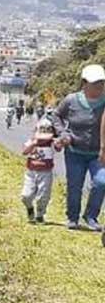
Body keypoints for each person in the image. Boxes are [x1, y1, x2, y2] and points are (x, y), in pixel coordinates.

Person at [52, 64, 105, 231]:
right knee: (74, 185)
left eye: (102, 83)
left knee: (101, 182)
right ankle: (72, 217)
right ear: (84, 83)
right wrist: (62, 134)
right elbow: (56, 116)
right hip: (75, 151)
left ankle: (90, 216)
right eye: (95, 83)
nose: (99, 87)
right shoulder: (71, 100)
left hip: (98, 153)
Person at [21, 119, 61, 224]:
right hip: (31, 172)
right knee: (26, 195)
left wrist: (58, 141)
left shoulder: (51, 143)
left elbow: (59, 147)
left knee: (43, 196)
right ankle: (29, 208)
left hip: (46, 172)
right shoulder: (32, 141)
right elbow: (24, 151)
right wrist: (33, 143)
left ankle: (40, 214)